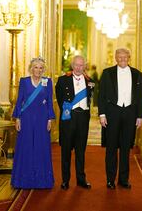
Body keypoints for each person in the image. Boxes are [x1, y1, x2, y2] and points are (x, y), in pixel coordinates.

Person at [98, 48, 142, 189]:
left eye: (125, 57)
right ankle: (110, 179)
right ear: (115, 58)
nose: (122, 59)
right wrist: (102, 114)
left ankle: (124, 179)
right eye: (119, 57)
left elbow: (140, 98)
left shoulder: (137, 74)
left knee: (126, 148)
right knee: (111, 148)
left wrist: (140, 116)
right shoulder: (107, 73)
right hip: (112, 113)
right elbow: (101, 95)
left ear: (129, 57)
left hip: (130, 113)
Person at [11, 57, 55, 189]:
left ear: (43, 70)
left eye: (41, 68)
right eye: (36, 67)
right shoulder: (24, 81)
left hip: (42, 119)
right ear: (31, 68)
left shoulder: (47, 82)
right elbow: (19, 101)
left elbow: (49, 101)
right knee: (26, 147)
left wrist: (49, 119)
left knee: (41, 147)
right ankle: (23, 180)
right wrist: (17, 118)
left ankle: (42, 180)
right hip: (27, 118)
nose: (38, 70)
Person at [55, 55, 95, 190]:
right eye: (76, 65)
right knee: (66, 150)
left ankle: (81, 179)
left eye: (81, 65)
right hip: (69, 118)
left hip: (83, 118)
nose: (79, 68)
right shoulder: (62, 80)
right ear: (72, 66)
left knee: (80, 150)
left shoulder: (90, 81)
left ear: (85, 66)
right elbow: (60, 99)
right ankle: (65, 180)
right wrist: (67, 111)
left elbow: (90, 99)